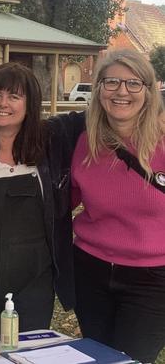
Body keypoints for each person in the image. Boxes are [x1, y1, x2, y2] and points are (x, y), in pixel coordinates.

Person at [0, 62, 78, 339]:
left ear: (30, 104)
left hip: (35, 284)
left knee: (30, 353)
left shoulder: (52, 145)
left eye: (14, 96)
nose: (3, 103)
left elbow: (100, 115)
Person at [66, 49, 165, 363]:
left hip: (153, 279)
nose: (122, 91)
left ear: (149, 92)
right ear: (98, 90)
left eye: (133, 84)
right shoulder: (84, 143)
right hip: (90, 271)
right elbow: (63, 201)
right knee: (97, 357)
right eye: (111, 82)